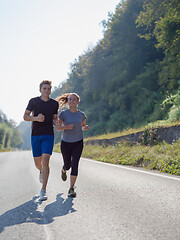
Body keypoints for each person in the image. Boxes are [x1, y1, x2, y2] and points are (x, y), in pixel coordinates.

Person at [23, 80, 58, 201]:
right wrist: (36, 118)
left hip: (48, 134)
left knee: (45, 159)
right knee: (38, 164)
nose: (47, 90)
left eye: (49, 88)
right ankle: (41, 172)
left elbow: (54, 118)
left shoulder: (54, 103)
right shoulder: (33, 101)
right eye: (45, 88)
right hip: (36, 135)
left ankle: (43, 190)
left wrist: (57, 123)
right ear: (40, 90)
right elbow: (25, 116)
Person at [56, 93, 89, 197]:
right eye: (70, 99)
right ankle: (63, 169)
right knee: (68, 165)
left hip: (78, 142)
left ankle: (71, 188)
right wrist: (65, 127)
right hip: (65, 142)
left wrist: (85, 128)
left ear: (77, 102)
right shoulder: (63, 114)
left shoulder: (81, 115)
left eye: (74, 100)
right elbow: (58, 128)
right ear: (68, 101)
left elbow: (82, 126)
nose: (71, 101)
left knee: (75, 164)